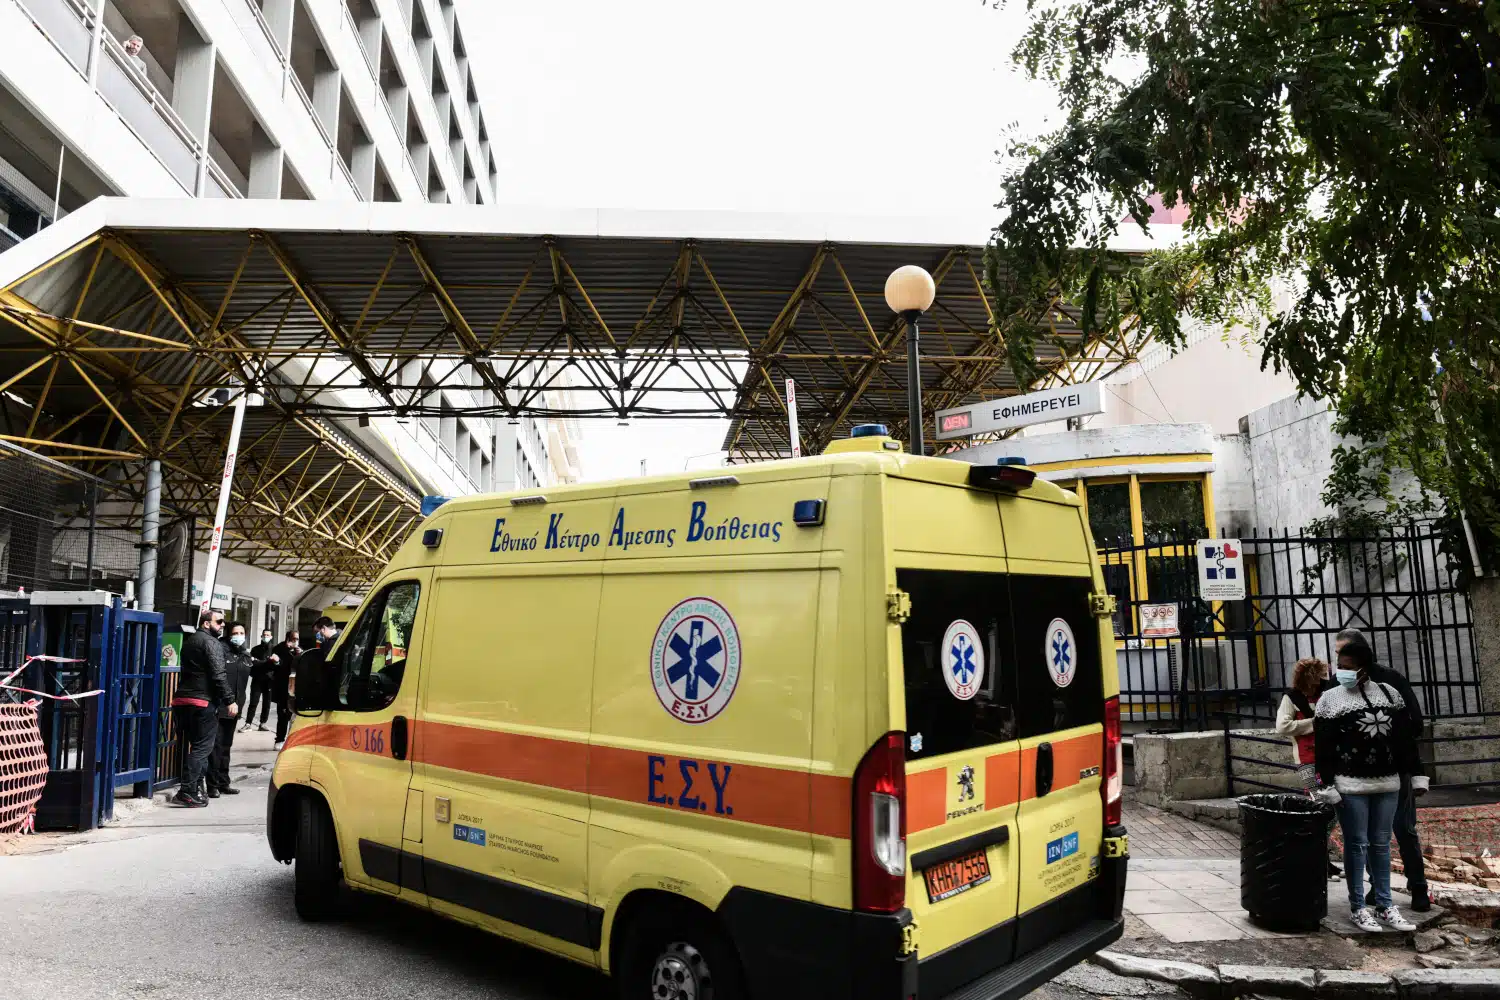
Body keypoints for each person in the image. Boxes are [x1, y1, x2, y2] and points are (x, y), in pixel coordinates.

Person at [1315, 638, 1427, 933]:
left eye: (1347, 667)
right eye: (1339, 666)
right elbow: (1323, 747)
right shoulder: (1330, 699)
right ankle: (1358, 907)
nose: (1341, 672)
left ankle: (1385, 904)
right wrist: (1325, 784)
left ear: (1364, 669)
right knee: (1356, 845)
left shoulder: (1389, 694)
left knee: (1381, 845)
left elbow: (1405, 740)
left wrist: (1417, 775)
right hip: (1350, 786)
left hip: (1388, 783)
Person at [172, 611, 236, 807]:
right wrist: (230, 700)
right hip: (202, 701)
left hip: (183, 700)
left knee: (198, 747)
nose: (223, 625)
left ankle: (196, 789)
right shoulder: (211, 643)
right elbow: (218, 674)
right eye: (219, 621)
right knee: (202, 748)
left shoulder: (190, 641)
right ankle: (188, 790)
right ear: (207, 624)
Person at [209, 623, 253, 798]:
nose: (239, 636)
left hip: (235, 707)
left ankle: (223, 782)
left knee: (226, 746)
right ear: (228, 634)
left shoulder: (244, 654)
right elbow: (218, 677)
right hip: (220, 705)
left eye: (242, 633)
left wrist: (272, 663)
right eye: (236, 633)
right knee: (216, 746)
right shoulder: (221, 650)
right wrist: (227, 700)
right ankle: (212, 785)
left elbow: (255, 670)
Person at [270, 629, 301, 750]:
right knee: (282, 714)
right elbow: (276, 666)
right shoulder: (279, 649)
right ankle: (279, 739)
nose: (296, 641)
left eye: (297, 639)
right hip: (282, 687)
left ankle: (292, 739)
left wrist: (299, 653)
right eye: (294, 639)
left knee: (293, 715)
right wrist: (286, 650)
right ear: (288, 639)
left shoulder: (298, 651)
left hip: (295, 687)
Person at [243, 627, 277, 732]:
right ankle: (248, 723)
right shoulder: (255, 649)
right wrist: (267, 662)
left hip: (269, 680)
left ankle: (263, 723)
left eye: (268, 635)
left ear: (271, 637)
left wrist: (259, 662)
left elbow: (275, 666)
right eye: (264, 635)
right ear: (261, 636)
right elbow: (251, 664)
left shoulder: (275, 650)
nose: (265, 637)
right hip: (257, 679)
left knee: (267, 703)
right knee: (253, 702)